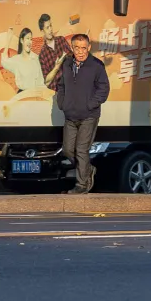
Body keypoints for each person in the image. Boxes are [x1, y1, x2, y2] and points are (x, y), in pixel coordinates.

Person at [56, 34, 110, 194]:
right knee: (67, 150)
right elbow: (61, 85)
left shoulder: (96, 66)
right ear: (72, 48)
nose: (80, 51)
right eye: (77, 48)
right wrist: (62, 103)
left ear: (89, 47)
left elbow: (104, 89)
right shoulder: (66, 64)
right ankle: (87, 169)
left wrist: (90, 105)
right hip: (70, 116)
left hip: (89, 116)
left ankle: (81, 185)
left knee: (81, 150)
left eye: (83, 48)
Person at [4, 28, 48, 94]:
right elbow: (4, 61)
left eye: (31, 39)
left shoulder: (36, 58)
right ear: (22, 40)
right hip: (22, 96)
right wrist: (8, 39)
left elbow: (41, 80)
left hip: (35, 95)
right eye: (27, 38)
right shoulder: (17, 60)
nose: (30, 41)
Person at [36, 14, 73, 89]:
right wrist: (57, 66)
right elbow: (46, 81)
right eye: (47, 28)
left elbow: (73, 59)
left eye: (51, 26)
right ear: (42, 31)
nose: (50, 29)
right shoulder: (42, 55)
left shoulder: (61, 40)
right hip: (56, 89)